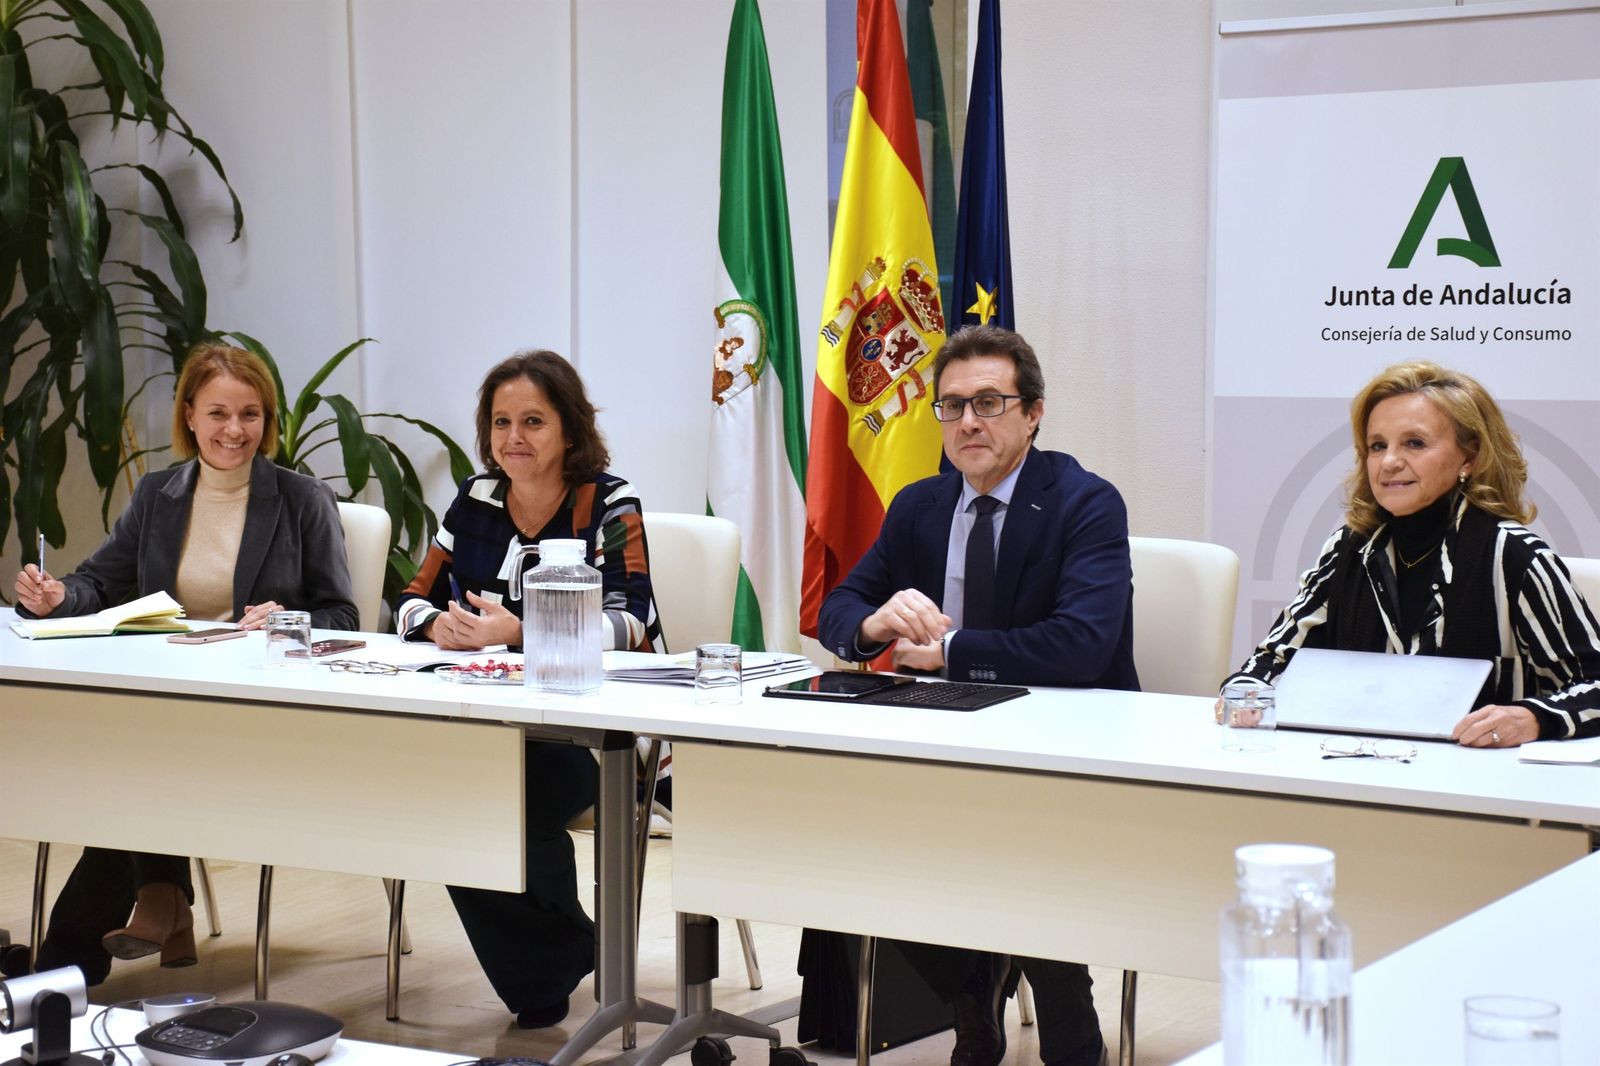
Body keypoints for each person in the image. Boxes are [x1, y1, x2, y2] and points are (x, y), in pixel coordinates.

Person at [819, 324, 1131, 1066]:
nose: (968, 422)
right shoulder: (920, 506)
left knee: (1027, 845)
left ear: (1034, 414)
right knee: (866, 835)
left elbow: (1080, 645)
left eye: (989, 403)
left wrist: (951, 650)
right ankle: (973, 998)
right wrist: (872, 623)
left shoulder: (1085, 502)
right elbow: (839, 611)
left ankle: (1066, 1021)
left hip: (1066, 742)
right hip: (949, 735)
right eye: (952, 406)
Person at [9, 342, 357, 984]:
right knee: (137, 754)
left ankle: (64, 970)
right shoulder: (158, 494)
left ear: (267, 420)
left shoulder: (303, 498)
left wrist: (284, 621)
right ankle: (152, 904)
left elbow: (343, 615)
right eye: (218, 413)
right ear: (190, 416)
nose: (235, 430)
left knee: (136, 764)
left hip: (260, 711)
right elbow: (99, 583)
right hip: (169, 702)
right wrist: (57, 598)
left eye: (250, 414)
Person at [395, 349, 659, 1028]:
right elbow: (409, 598)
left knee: (504, 797)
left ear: (570, 429)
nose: (514, 437)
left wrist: (523, 631)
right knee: (446, 798)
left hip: (596, 732)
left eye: (533, 421)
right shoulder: (476, 498)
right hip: (491, 722)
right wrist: (437, 626)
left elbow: (633, 620)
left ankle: (549, 969)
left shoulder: (609, 500)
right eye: (501, 422)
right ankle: (561, 954)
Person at [1223, 360, 1600, 745]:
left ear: (1469, 458)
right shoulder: (1348, 549)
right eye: (1377, 446)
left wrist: (1534, 718)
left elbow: (1595, 684)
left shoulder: (1514, 556)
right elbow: (1270, 663)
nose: (1389, 462)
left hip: (1478, 777)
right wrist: (1246, 693)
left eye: (1414, 443)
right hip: (1354, 767)